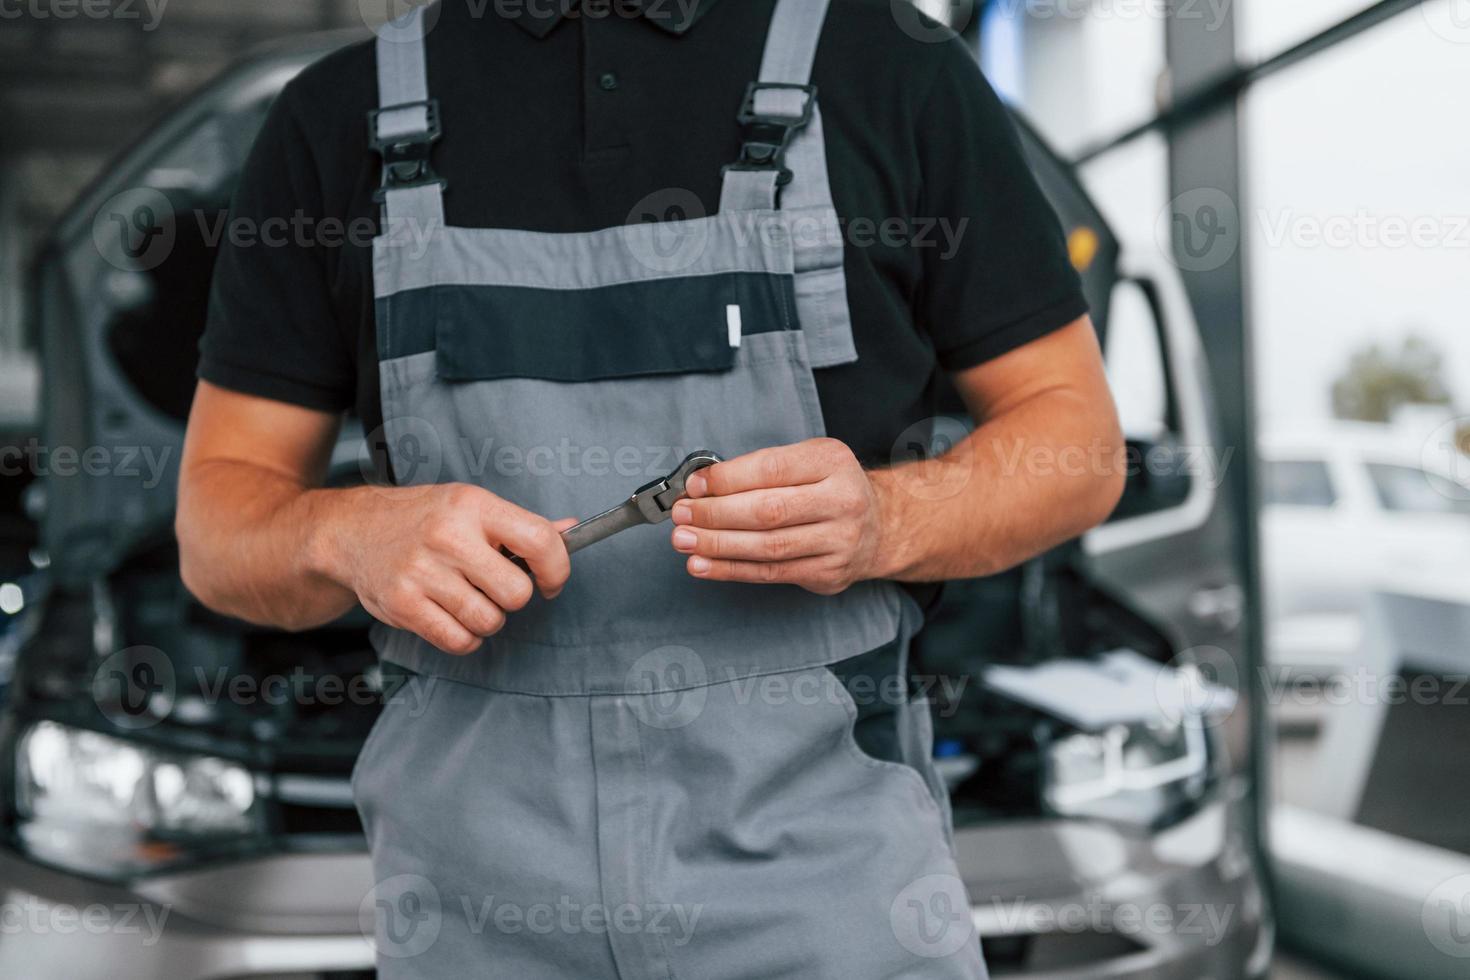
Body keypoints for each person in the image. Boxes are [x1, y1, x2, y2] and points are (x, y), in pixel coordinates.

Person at [177, 0, 1124, 975]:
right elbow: (218, 526)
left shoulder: (889, 67)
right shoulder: (340, 118)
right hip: (474, 904)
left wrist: (888, 518)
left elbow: (1078, 440)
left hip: (825, 888)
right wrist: (349, 535)